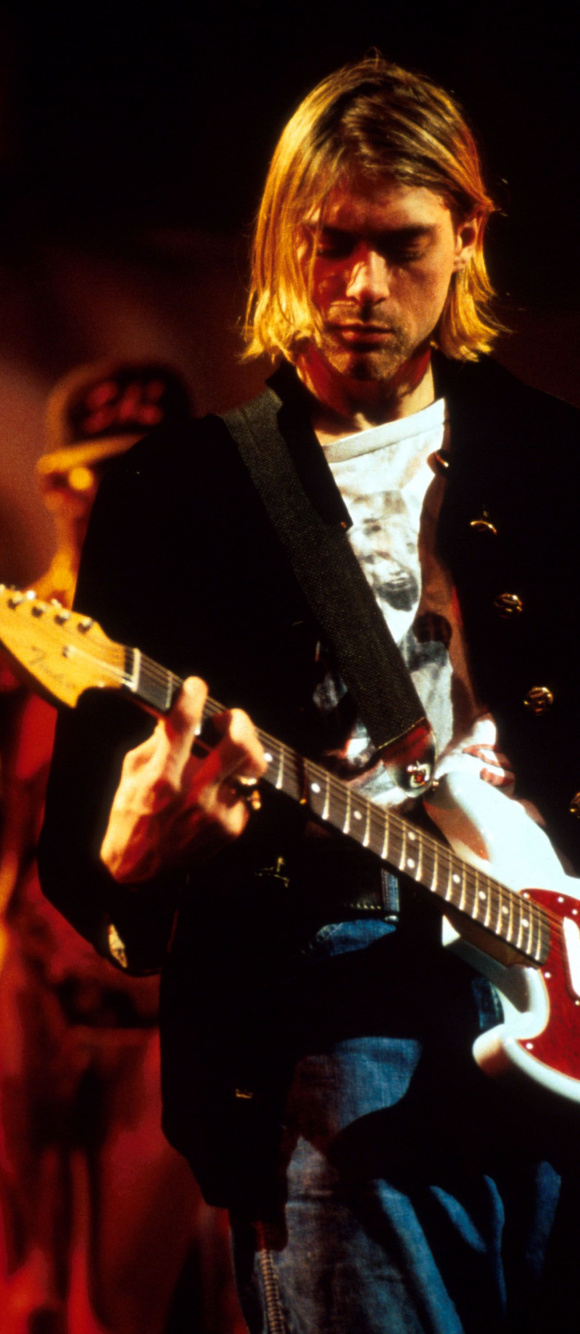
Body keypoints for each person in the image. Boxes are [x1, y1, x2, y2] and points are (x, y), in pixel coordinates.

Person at [37, 56, 580, 1333]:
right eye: (331, 244)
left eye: (402, 245)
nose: (361, 286)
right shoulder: (173, 496)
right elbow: (84, 855)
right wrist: (134, 857)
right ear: (282, 242)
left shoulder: (565, 464)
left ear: (467, 235)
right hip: (332, 1026)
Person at [0, 361, 243, 1334]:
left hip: (154, 1016)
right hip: (32, 1000)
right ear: (61, 485)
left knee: (132, 1299)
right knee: (23, 1291)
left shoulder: (221, 650)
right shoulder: (19, 639)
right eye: (108, 476)